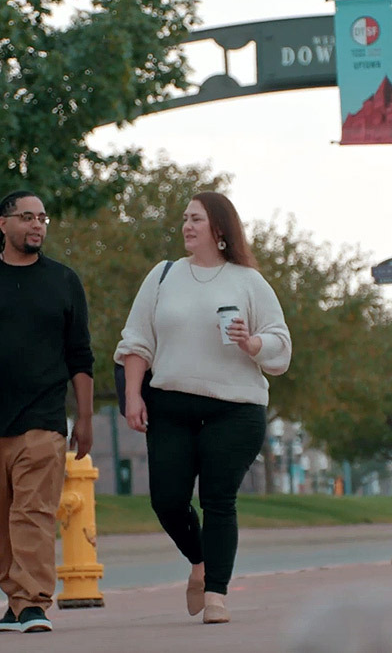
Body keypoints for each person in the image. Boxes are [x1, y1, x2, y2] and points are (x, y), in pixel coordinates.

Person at [115, 191, 292, 625]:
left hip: (235, 409)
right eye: (185, 219)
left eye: (195, 219)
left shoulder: (249, 282)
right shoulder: (163, 275)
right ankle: (200, 562)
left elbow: (281, 346)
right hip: (170, 406)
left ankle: (216, 595)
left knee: (218, 500)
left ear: (219, 227)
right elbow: (136, 342)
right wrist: (133, 396)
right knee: (167, 501)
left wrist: (252, 342)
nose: (186, 226)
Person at [0, 190, 95, 634]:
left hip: (43, 417)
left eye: (42, 218)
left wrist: (84, 418)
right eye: (27, 217)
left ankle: (33, 603)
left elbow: (80, 356)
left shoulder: (64, 281)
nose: (37, 225)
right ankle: (17, 600)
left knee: (33, 512)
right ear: (3, 224)